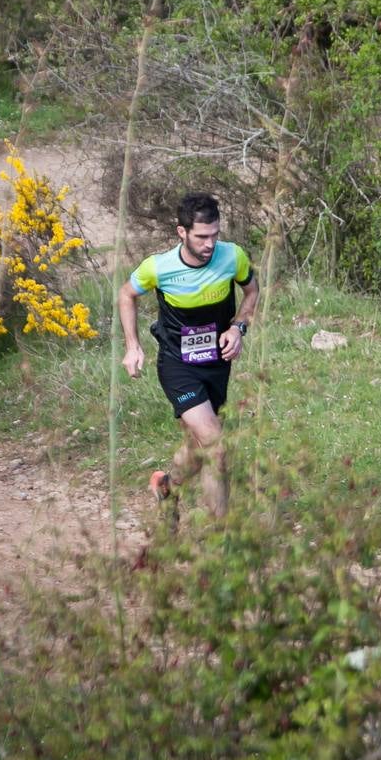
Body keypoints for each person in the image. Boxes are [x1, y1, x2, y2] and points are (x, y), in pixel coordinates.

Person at [119, 193, 259, 520]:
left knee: (197, 448)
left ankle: (166, 488)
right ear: (181, 232)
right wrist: (132, 346)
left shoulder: (232, 256)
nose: (210, 244)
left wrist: (238, 327)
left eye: (215, 235)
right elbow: (126, 294)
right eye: (201, 236)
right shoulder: (159, 267)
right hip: (177, 365)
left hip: (217, 363)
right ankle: (222, 537)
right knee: (216, 446)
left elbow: (252, 290)